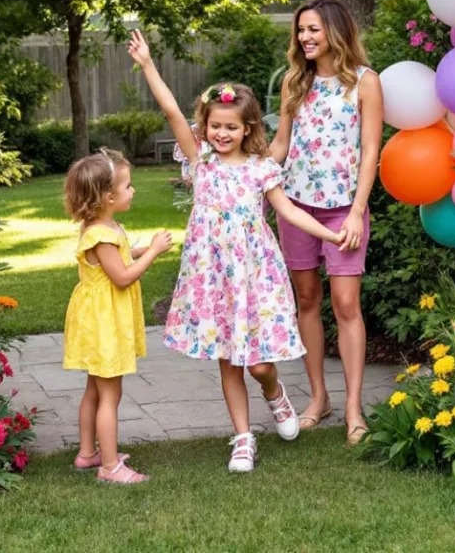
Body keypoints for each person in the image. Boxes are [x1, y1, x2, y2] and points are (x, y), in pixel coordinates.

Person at [128, 30, 348, 473]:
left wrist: (330, 235)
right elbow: (170, 109)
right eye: (215, 126)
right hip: (212, 274)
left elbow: (287, 211)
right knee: (228, 356)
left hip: (254, 273)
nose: (221, 133)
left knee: (260, 364)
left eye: (231, 127)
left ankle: (275, 394)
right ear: (204, 127)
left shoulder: (261, 168)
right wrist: (148, 64)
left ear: (247, 128)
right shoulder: (201, 161)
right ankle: (243, 438)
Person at [269, 0, 383, 446]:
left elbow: (371, 150)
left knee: (346, 304)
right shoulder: (295, 82)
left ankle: (354, 407)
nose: (305, 37)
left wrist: (357, 210)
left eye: (313, 29)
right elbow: (281, 143)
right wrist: (249, 171)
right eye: (301, 30)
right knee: (307, 299)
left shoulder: (364, 83)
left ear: (334, 30)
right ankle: (319, 398)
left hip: (342, 210)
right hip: (295, 206)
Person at [63, 147, 173, 484]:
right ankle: (109, 467)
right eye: (127, 186)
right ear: (108, 196)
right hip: (104, 323)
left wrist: (138, 248)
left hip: (98, 318)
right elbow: (123, 276)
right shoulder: (100, 234)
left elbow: (120, 254)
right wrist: (153, 252)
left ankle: (87, 453)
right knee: (110, 394)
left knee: (95, 390)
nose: (133, 190)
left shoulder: (103, 226)